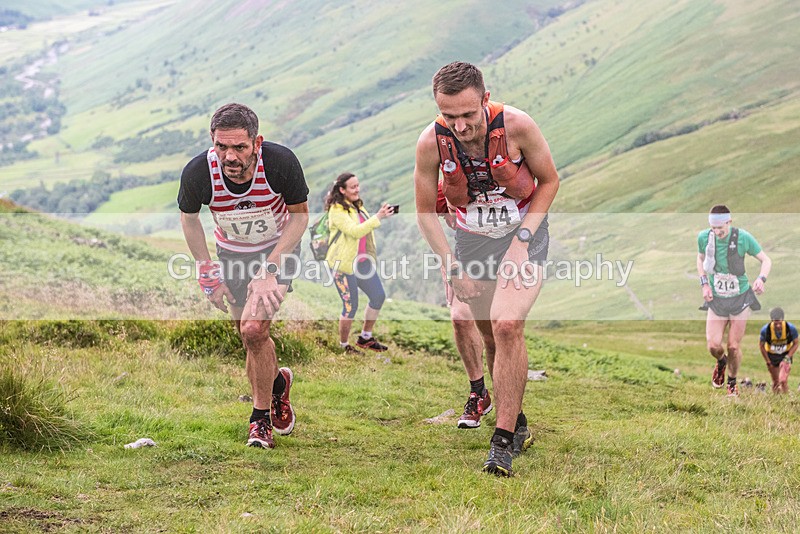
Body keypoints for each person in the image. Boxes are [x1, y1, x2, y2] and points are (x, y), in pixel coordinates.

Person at [415, 61, 559, 476]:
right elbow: (425, 213)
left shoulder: (518, 126)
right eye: (449, 116)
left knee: (508, 324)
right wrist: (451, 265)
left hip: (523, 231)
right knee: (487, 334)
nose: (459, 126)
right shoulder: (430, 143)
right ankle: (517, 421)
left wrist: (523, 241)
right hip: (471, 239)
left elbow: (549, 181)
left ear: (485, 99)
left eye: (468, 114)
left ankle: (501, 443)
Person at [177, 103, 309, 449]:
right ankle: (278, 385)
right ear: (212, 141)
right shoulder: (199, 173)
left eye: (239, 147)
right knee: (247, 336)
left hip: (279, 249)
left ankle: (259, 420)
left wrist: (270, 269)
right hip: (233, 254)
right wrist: (207, 271)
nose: (229, 157)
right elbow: (189, 219)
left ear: (257, 142)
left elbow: (299, 217)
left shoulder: (280, 163)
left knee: (254, 328)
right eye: (221, 146)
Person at [697, 204, 771, 397]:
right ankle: (721, 362)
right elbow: (700, 259)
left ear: (729, 222)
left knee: (733, 346)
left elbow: (766, 260)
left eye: (721, 228)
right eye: (714, 228)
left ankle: (732, 382)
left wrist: (761, 279)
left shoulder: (743, 238)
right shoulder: (704, 238)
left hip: (740, 298)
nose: (717, 232)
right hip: (717, 299)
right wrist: (704, 284)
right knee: (713, 345)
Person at [324, 172, 395, 353]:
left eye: (358, 185)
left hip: (362, 263)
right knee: (350, 307)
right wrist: (378, 217)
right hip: (343, 266)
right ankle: (343, 346)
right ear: (342, 190)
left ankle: (365, 338)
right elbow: (355, 231)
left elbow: (365, 230)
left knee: (378, 296)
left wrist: (380, 215)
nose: (357, 189)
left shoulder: (357, 206)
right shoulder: (337, 210)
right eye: (353, 187)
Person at [759, 307, 798, 394]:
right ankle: (777, 400)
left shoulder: (790, 328)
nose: (778, 326)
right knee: (776, 382)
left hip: (785, 355)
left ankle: (786, 399)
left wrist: (788, 356)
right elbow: (761, 346)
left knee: (783, 380)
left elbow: (796, 343)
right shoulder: (766, 330)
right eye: (775, 323)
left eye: (780, 323)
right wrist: (768, 361)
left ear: (783, 320)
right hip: (772, 356)